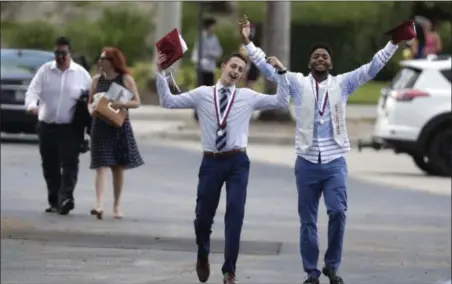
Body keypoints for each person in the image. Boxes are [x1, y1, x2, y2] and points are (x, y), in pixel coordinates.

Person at [240, 16, 413, 284]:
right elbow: (267, 67)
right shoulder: (296, 82)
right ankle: (311, 272)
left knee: (338, 212)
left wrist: (392, 43)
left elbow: (371, 69)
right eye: (316, 56)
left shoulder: (342, 84)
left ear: (330, 63)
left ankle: (332, 265)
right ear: (310, 62)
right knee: (307, 222)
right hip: (307, 161)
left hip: (334, 161)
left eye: (325, 56)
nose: (320, 59)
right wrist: (249, 43)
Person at [156, 52, 290, 284]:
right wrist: (161, 73)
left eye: (240, 69)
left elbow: (281, 100)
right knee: (202, 218)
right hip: (211, 161)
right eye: (233, 66)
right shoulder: (203, 94)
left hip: (238, 161)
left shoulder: (247, 96)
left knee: (235, 214)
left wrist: (281, 72)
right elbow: (168, 101)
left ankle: (230, 271)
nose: (236, 71)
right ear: (223, 66)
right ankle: (203, 253)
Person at [24, 36, 92, 215]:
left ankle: (66, 198)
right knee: (50, 165)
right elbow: (32, 92)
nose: (60, 57)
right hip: (47, 126)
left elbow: (93, 97)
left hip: (71, 128)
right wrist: (33, 106)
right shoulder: (45, 71)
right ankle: (54, 200)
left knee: (70, 164)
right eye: (57, 53)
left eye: (63, 53)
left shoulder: (81, 74)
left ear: (70, 53)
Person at [88, 47, 144, 220]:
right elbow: (90, 102)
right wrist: (92, 109)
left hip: (119, 126)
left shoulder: (125, 79)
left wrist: (121, 104)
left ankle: (116, 205)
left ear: (112, 61)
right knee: (100, 166)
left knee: (117, 167)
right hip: (100, 126)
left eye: (103, 58)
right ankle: (99, 205)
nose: (100, 61)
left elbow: (137, 102)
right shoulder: (96, 80)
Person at [191, 17, 223, 121]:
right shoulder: (201, 38)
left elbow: (218, 52)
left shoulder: (214, 38)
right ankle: (197, 113)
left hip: (210, 68)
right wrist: (206, 56)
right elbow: (197, 53)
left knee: (210, 92)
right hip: (201, 67)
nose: (214, 28)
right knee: (200, 90)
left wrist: (210, 54)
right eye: (213, 26)